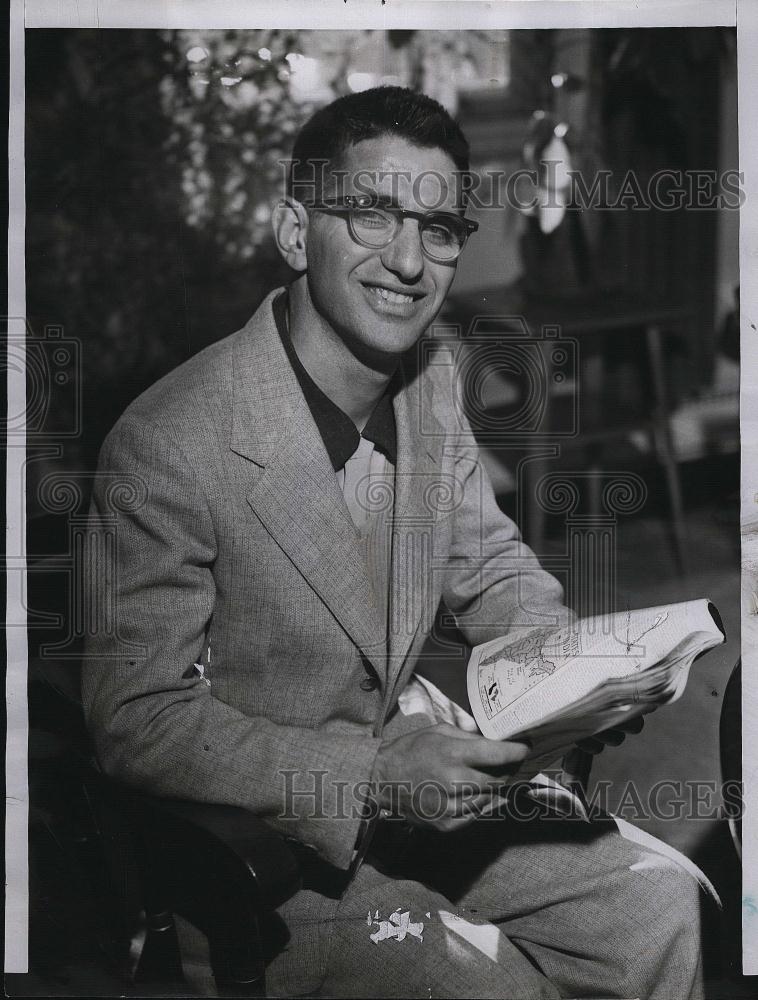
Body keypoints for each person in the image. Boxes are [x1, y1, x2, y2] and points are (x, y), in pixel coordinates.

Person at [82, 86, 703, 998]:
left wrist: (576, 676)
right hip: (275, 856)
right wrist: (371, 777)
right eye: (372, 214)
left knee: (662, 900)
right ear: (296, 233)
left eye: (438, 228)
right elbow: (138, 720)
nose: (409, 262)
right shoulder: (169, 442)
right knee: (488, 987)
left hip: (430, 786)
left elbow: (488, 566)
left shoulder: (430, 381)